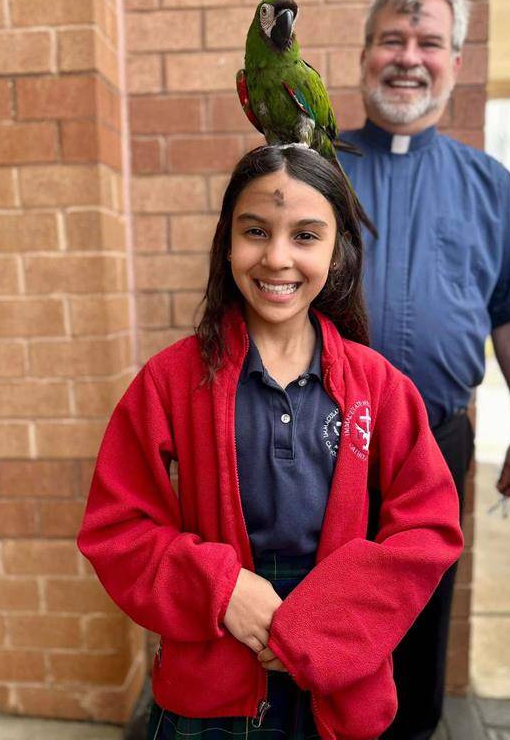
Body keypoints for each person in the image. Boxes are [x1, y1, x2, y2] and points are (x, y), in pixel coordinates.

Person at [77, 144, 463, 740]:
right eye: (255, 231)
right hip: (210, 680)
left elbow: (429, 529)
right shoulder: (170, 380)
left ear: (338, 252)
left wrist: (318, 625)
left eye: (306, 236)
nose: (277, 257)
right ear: (226, 242)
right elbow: (116, 528)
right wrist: (223, 589)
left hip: (337, 677)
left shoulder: (380, 387)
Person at [337, 0, 510, 740]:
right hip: (316, 444)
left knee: (418, 613)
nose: (409, 58)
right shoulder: (312, 172)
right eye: (392, 41)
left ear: (455, 63)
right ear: (365, 54)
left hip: (435, 446)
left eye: (429, 42)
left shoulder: (488, 185)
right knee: (323, 612)